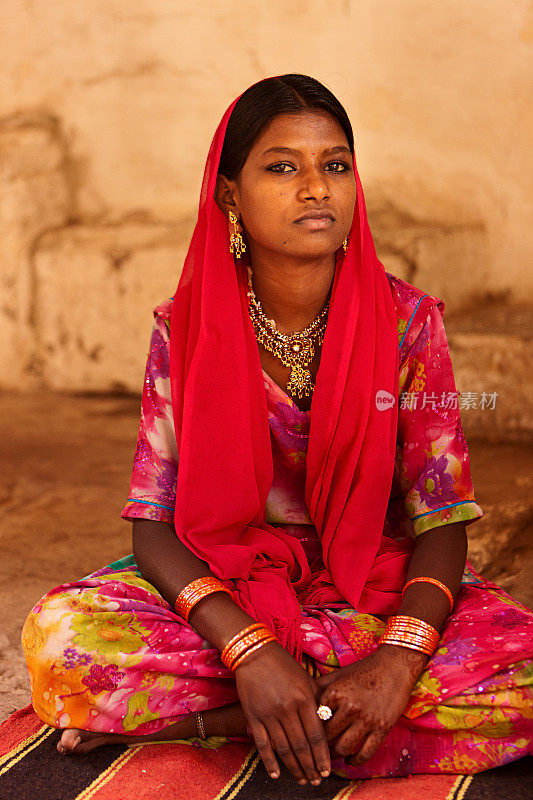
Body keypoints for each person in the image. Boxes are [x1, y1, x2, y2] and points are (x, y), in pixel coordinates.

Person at [21, 74, 533, 785]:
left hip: (369, 590)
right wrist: (251, 651)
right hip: (227, 583)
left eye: (334, 165)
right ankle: (308, 710)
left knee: (524, 671)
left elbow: (441, 516)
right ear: (230, 193)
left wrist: (394, 662)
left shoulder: (407, 324)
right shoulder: (185, 327)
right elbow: (153, 525)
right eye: (282, 166)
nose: (316, 187)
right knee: (60, 638)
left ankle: (222, 723)